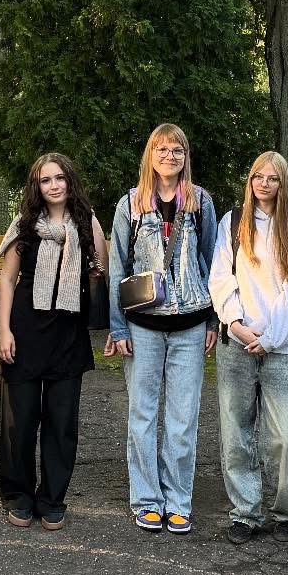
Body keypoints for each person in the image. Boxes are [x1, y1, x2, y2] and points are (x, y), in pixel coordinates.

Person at [106, 124, 218, 534]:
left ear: (186, 156)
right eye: (162, 149)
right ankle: (147, 499)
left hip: (190, 324)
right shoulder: (131, 204)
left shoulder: (200, 202)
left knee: (183, 418)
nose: (170, 156)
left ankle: (178, 500)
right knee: (143, 414)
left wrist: (213, 320)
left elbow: (212, 263)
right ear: (150, 155)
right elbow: (117, 267)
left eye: (177, 150)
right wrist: (118, 328)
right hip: (143, 327)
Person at [0, 153, 108, 530]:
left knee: (61, 424)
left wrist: (92, 235)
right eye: (46, 180)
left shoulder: (87, 221)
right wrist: (4, 330)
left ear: (70, 181)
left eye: (60, 178)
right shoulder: (24, 224)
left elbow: (101, 271)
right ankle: (19, 495)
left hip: (67, 333)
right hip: (25, 331)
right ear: (36, 186)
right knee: (19, 423)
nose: (54, 185)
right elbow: (7, 279)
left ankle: (52, 498)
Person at [208, 151, 288, 545]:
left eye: (272, 178)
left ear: (283, 184)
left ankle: (285, 512)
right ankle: (245, 512)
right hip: (237, 342)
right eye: (257, 177)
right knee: (236, 432)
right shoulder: (233, 222)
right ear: (250, 181)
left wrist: (270, 337)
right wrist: (236, 325)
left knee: (284, 436)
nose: (264, 184)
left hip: (280, 347)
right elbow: (221, 277)